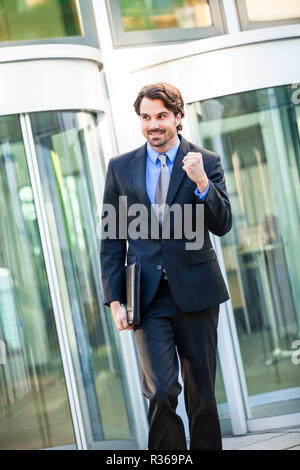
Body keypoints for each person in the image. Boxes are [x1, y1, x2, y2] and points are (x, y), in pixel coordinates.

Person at [100, 82, 232, 450]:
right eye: (146, 117)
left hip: (196, 291)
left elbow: (222, 224)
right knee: (159, 391)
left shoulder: (205, 162)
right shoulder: (121, 168)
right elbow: (112, 238)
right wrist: (114, 299)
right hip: (146, 296)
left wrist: (203, 183)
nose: (153, 124)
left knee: (202, 395)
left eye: (161, 116)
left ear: (178, 117)